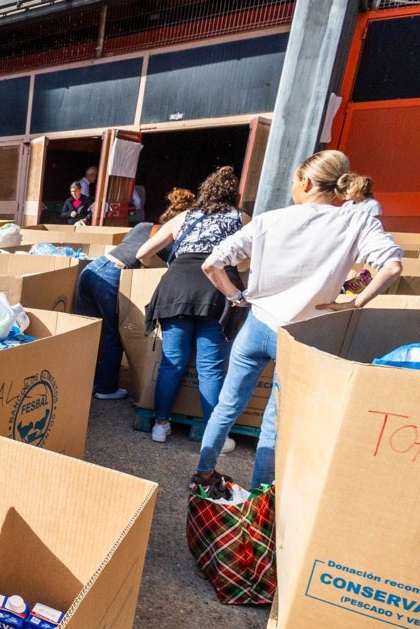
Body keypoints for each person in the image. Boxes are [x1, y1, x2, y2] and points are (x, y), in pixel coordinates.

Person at [190, 151, 403, 498]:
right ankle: (260, 500)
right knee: (274, 421)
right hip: (304, 334)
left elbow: (212, 264)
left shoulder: (269, 220)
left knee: (227, 405)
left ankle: (202, 475)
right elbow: (391, 267)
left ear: (304, 182)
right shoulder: (356, 223)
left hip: (257, 323)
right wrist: (354, 301)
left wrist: (236, 297)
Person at [136, 166, 247, 445]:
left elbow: (142, 254)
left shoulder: (185, 216)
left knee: (172, 363)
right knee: (210, 367)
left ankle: (160, 426)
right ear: (233, 195)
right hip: (217, 291)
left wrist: (175, 268)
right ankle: (214, 436)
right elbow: (249, 261)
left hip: (176, 289)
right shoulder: (241, 218)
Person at [74, 187, 196, 402]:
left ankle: (85, 380)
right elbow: (152, 262)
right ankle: (106, 387)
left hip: (93, 269)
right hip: (113, 276)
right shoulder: (170, 241)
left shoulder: (143, 226)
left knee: (91, 331)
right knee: (114, 334)